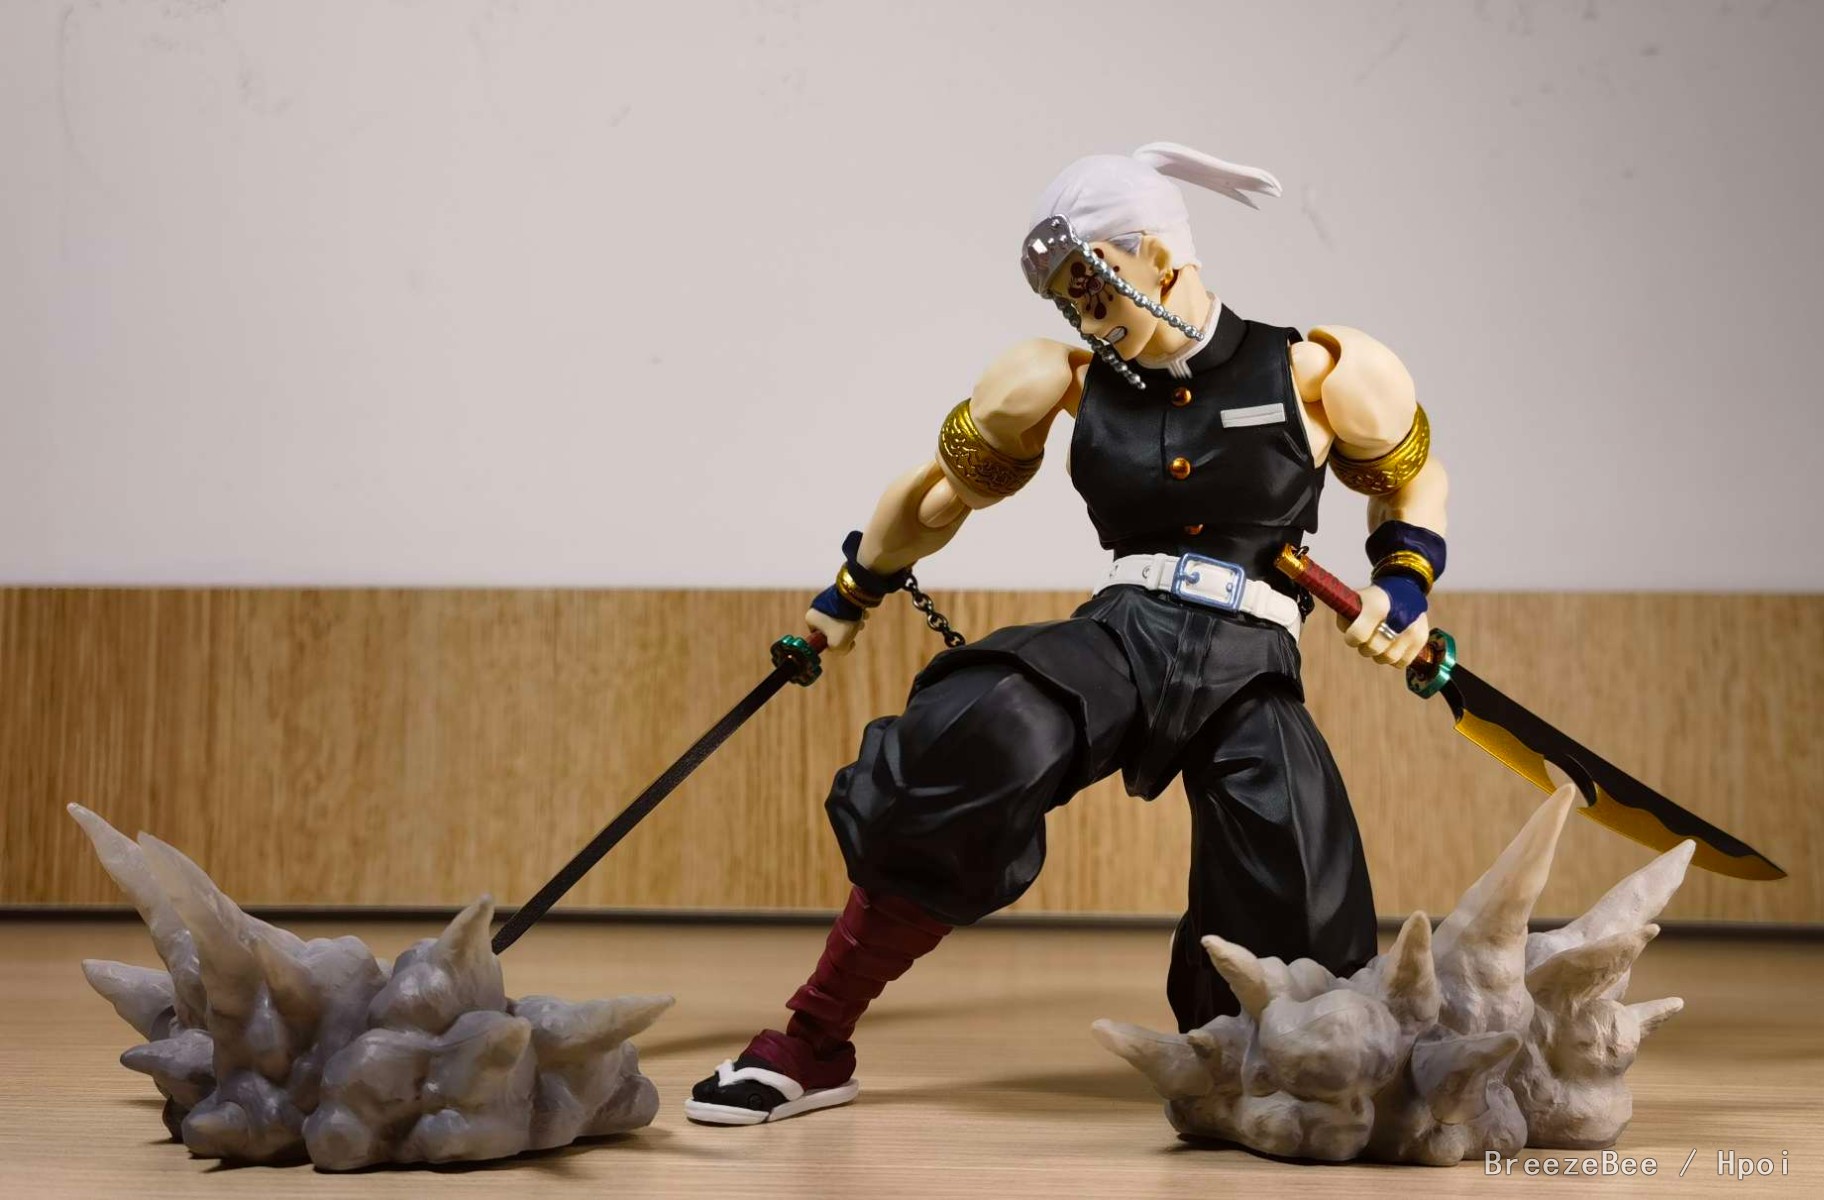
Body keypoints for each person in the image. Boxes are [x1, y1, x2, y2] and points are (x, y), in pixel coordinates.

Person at [685, 143, 1450, 1126]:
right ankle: (815, 1037)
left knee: (1300, 875)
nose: (1085, 317)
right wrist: (850, 593)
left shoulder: (1317, 370)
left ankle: (1265, 1075)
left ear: (1161, 257)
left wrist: (1405, 585)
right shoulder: (1061, 381)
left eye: (1095, 287)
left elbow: (1409, 481)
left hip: (1252, 660)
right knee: (986, 726)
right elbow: (937, 497)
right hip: (1126, 634)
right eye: (1066, 301)